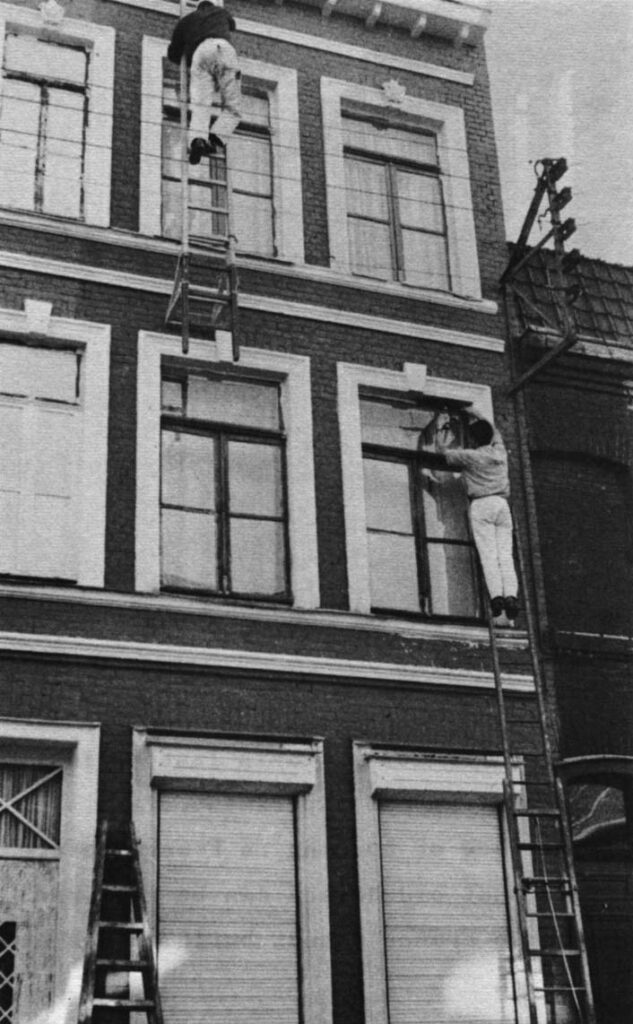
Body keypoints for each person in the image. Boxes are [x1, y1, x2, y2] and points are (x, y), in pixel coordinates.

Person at [435, 414, 519, 620]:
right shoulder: (499, 452)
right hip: (501, 505)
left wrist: (440, 430)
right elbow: (496, 433)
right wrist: (477, 413)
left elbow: (443, 453)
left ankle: (496, 596)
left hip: (481, 505)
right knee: (505, 554)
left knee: (488, 553)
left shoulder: (470, 456)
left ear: (472, 439)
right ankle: (511, 596)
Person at [168, 1, 242, 165]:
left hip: (200, 53)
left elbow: (173, 53)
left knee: (200, 104)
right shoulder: (221, 12)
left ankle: (198, 140)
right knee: (233, 105)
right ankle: (216, 138)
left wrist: (184, 49)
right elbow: (232, 25)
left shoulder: (186, 20)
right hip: (223, 48)